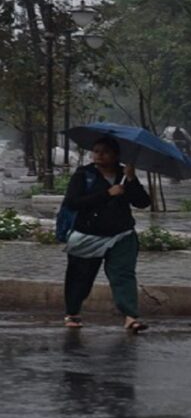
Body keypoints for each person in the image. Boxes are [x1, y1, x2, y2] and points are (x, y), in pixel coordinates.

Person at [62, 137, 152, 331]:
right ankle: (73, 313)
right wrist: (107, 194)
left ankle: (131, 316)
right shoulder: (84, 175)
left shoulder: (123, 174)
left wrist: (131, 179)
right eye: (96, 151)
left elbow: (143, 202)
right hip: (88, 234)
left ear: (116, 155)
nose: (99, 155)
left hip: (121, 234)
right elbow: (73, 202)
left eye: (105, 152)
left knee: (123, 275)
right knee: (80, 276)